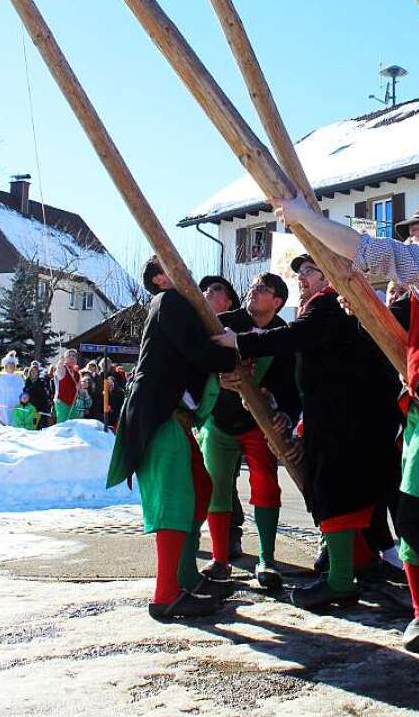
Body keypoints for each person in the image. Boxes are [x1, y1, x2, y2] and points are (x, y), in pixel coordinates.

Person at [255, 195, 419, 681]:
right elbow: (401, 321)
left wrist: (305, 219)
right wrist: (362, 302)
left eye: (416, 230)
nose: (409, 239)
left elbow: (368, 250)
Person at [213, 253, 398, 613]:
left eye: (309, 270)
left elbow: (293, 337)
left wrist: (239, 342)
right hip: (348, 416)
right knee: (344, 495)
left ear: (328, 275)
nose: (301, 276)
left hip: (342, 418)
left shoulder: (327, 304)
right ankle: (352, 570)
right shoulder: (334, 305)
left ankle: (341, 583)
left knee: (335, 493)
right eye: (300, 271)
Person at [107, 256, 239, 621]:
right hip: (160, 414)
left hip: (172, 416)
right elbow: (198, 352)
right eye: (178, 267)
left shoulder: (175, 305)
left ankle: (185, 577)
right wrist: (232, 354)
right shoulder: (170, 301)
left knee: (199, 487)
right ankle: (166, 595)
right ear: (162, 278)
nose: (189, 274)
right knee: (174, 499)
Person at [199, 272, 299, 591]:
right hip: (220, 419)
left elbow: (290, 384)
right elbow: (199, 360)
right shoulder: (225, 321)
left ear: (277, 301)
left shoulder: (285, 333)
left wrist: (284, 410)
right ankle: (219, 559)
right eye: (253, 286)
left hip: (259, 424)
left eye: (263, 289)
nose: (253, 291)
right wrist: (216, 378)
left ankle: (266, 560)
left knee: (267, 487)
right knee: (216, 486)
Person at [199, 275, 245, 559]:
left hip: (230, 417)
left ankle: (231, 535)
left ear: (228, 302)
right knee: (199, 478)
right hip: (198, 415)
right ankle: (194, 534)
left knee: (223, 481)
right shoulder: (195, 328)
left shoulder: (235, 330)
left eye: (216, 290)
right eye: (205, 289)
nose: (207, 292)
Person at [0, 352, 25, 426]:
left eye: (12, 364)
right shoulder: (0, 377)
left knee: (14, 425)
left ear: (15, 366)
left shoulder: (19, 378)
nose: (10, 366)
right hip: (3, 406)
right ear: (5, 366)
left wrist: (22, 405)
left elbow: (22, 393)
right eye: (9, 364)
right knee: (3, 426)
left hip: (16, 405)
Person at [54, 349, 81, 423]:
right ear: (65, 358)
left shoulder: (77, 374)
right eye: (69, 356)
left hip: (73, 403)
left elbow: (79, 388)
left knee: (75, 424)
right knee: (62, 425)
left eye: (74, 356)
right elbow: (59, 369)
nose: (72, 358)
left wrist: (80, 387)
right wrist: (60, 361)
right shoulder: (63, 368)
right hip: (62, 402)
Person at [25, 361, 52, 426]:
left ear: (38, 373)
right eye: (32, 371)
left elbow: (43, 394)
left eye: (35, 371)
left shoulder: (41, 382)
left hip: (40, 406)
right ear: (30, 372)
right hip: (29, 406)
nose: (34, 373)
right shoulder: (27, 382)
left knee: (40, 425)